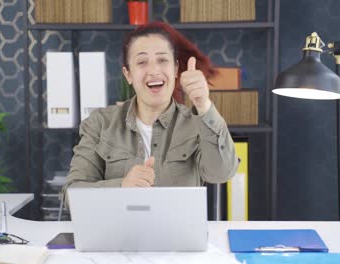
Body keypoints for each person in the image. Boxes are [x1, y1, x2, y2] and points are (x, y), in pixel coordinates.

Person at [63, 22, 238, 190]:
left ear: (176, 69)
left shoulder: (196, 123)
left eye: (162, 60)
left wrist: (203, 104)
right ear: (128, 74)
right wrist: (121, 185)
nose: (154, 71)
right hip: (120, 222)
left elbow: (222, 173)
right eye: (142, 62)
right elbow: (73, 193)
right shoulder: (99, 123)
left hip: (176, 222)